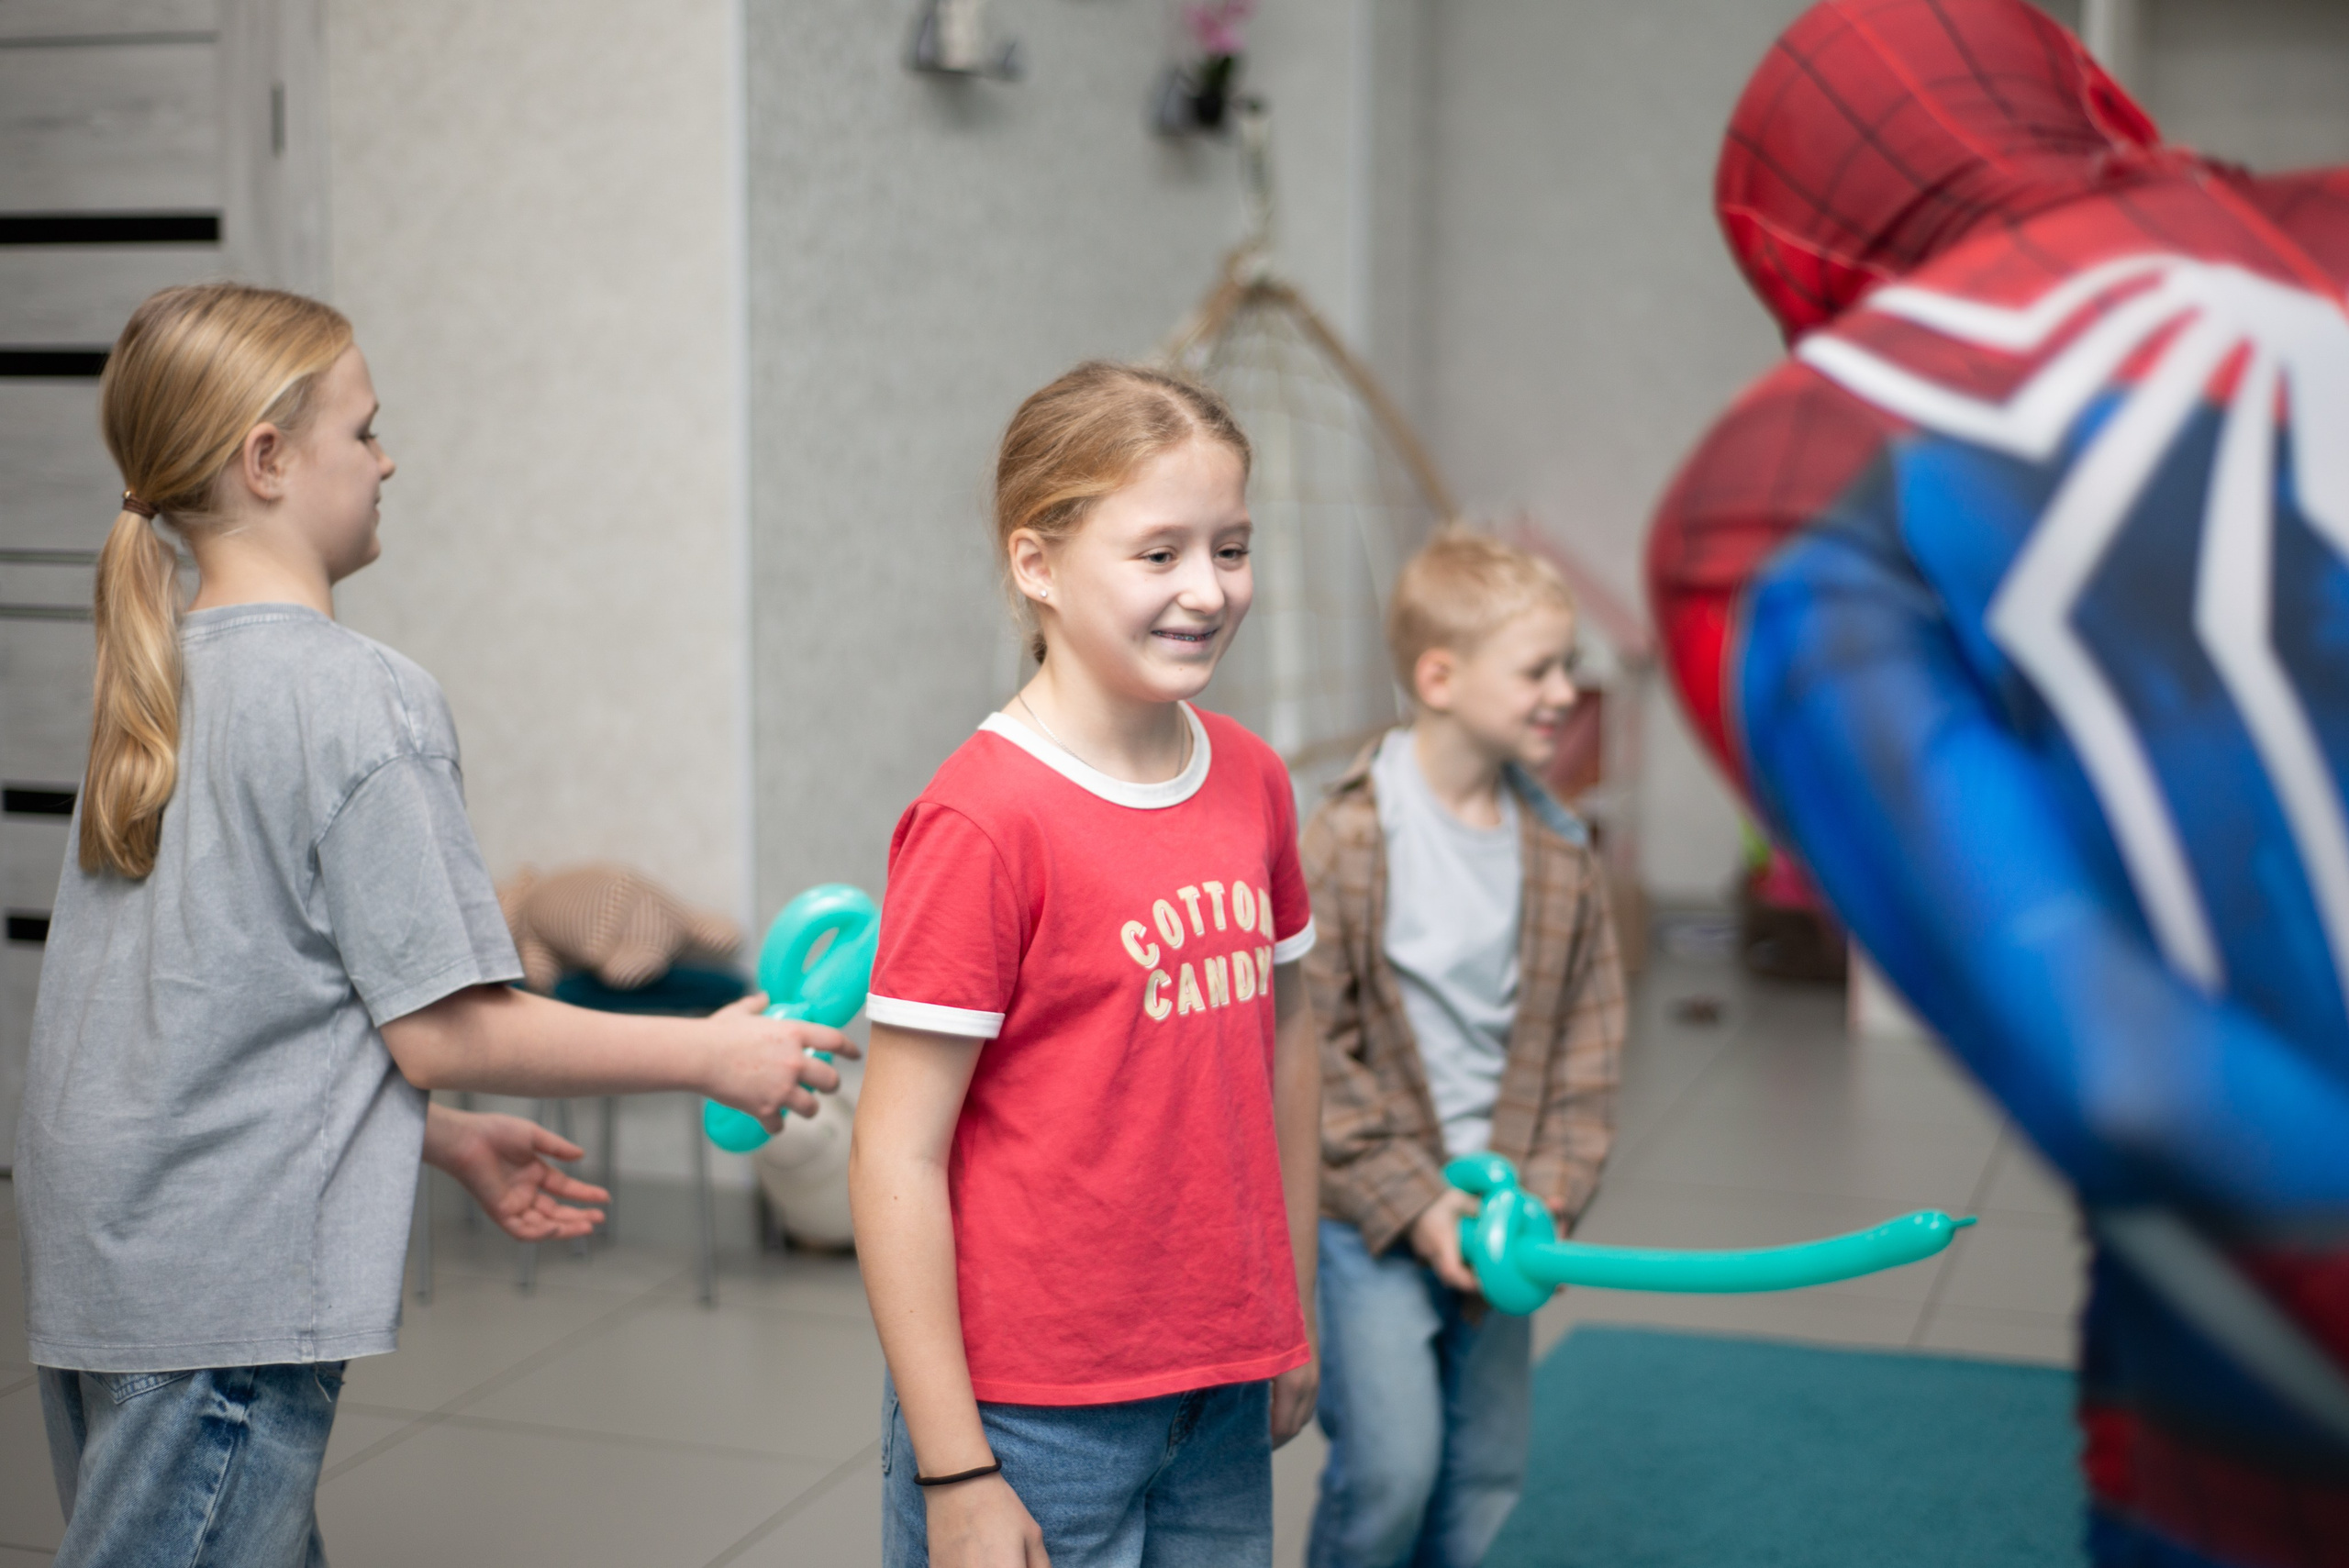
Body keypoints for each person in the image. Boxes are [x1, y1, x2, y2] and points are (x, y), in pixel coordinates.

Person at [1647, 3, 2349, 1561]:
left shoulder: (1772, 495)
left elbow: (2124, 1070)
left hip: (2251, 1450)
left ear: (1787, 261)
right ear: (2087, 93)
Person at [16, 282, 847, 1568]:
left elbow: (201, 1027)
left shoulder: (158, 682)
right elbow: (451, 1027)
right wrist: (708, 1054)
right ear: (268, 459)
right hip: (222, 1299)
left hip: (109, 1268)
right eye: (364, 431)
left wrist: (428, 1137)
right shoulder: (361, 698)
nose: (387, 458)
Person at [849, 361, 1320, 1568]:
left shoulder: (1255, 780)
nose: (1208, 590)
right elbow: (896, 1154)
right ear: (1038, 564)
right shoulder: (982, 820)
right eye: (1159, 553)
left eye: (1231, 548)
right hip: (1029, 1415)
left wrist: (1289, 1312)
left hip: (1219, 1382)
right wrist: (957, 1467)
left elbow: (1288, 1046)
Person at [1304, 526, 1623, 1568]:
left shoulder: (1564, 854)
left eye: (1567, 665)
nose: (1565, 691)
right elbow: (1308, 1052)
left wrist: (1549, 1199)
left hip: (1508, 1215)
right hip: (1371, 1214)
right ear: (1439, 677)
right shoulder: (1347, 838)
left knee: (1484, 1470)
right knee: (1390, 1471)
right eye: (1537, 669)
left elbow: (1586, 1054)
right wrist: (1417, 1199)